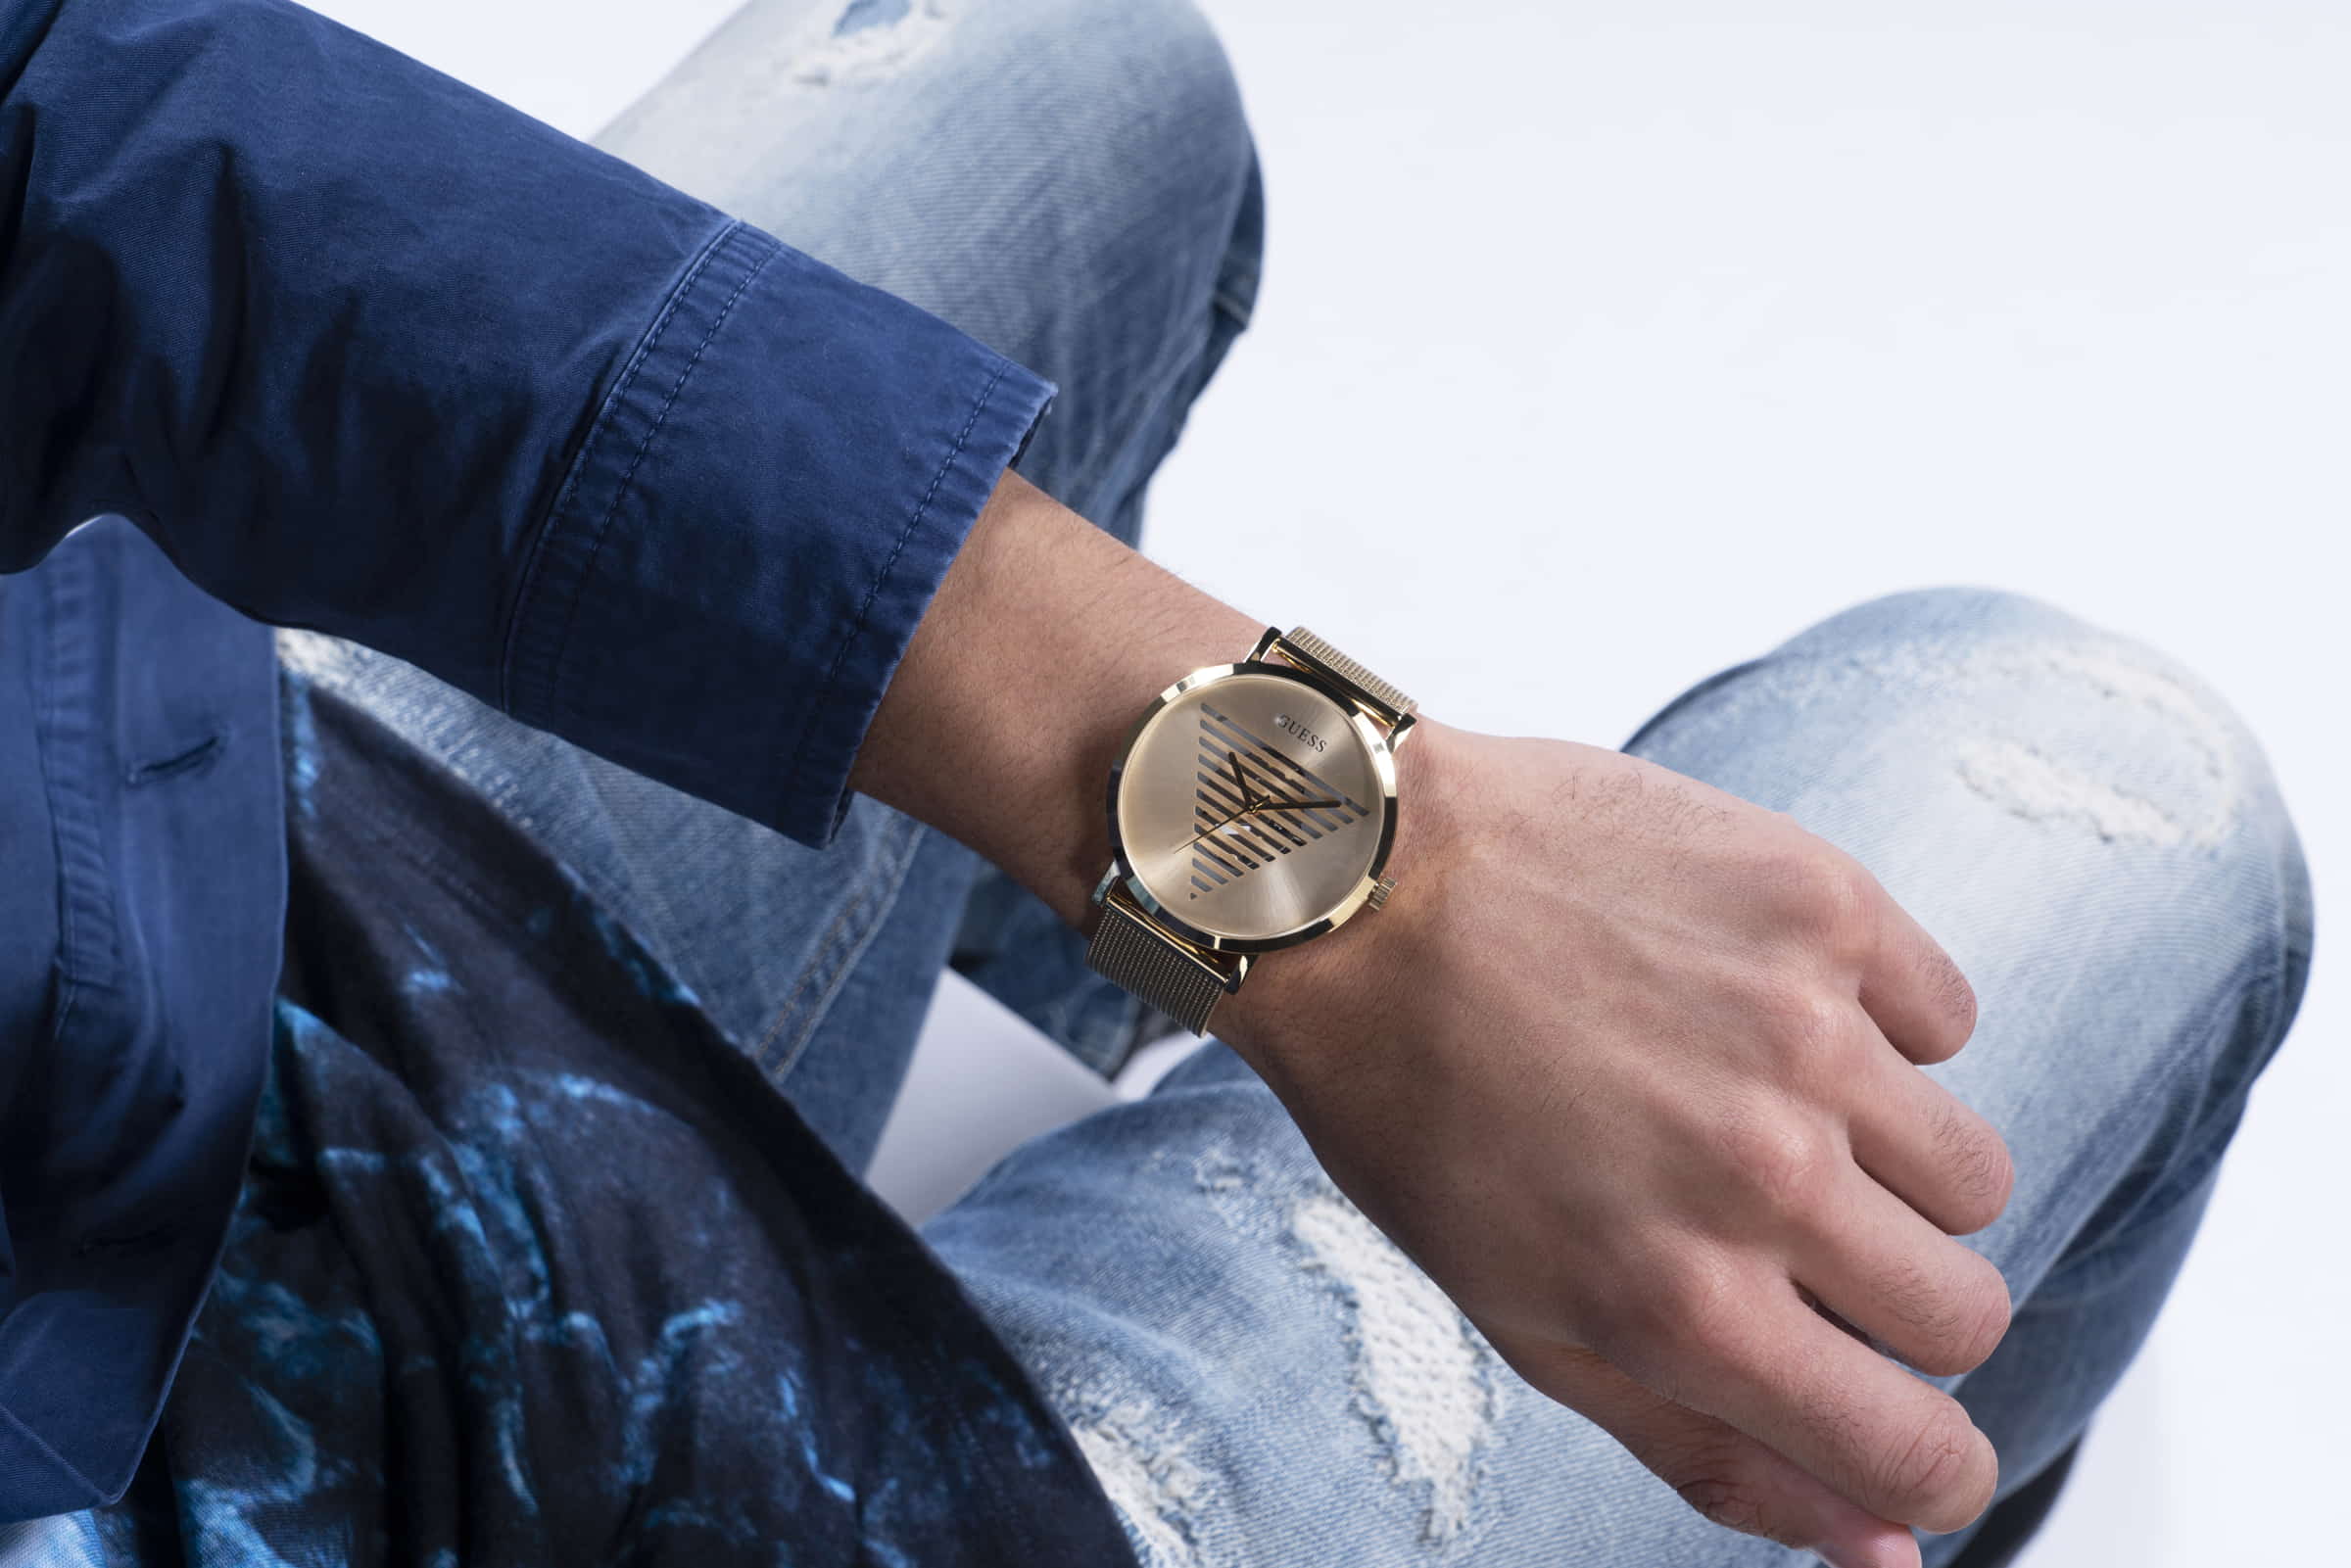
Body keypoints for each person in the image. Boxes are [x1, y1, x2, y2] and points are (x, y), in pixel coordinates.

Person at [0, 1, 2312, 1565]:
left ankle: (1059, 1072)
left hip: (193, 880)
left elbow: (57, 114)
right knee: (2104, 776)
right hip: (329, 1466)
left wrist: (1319, 856)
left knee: (1065, 67)